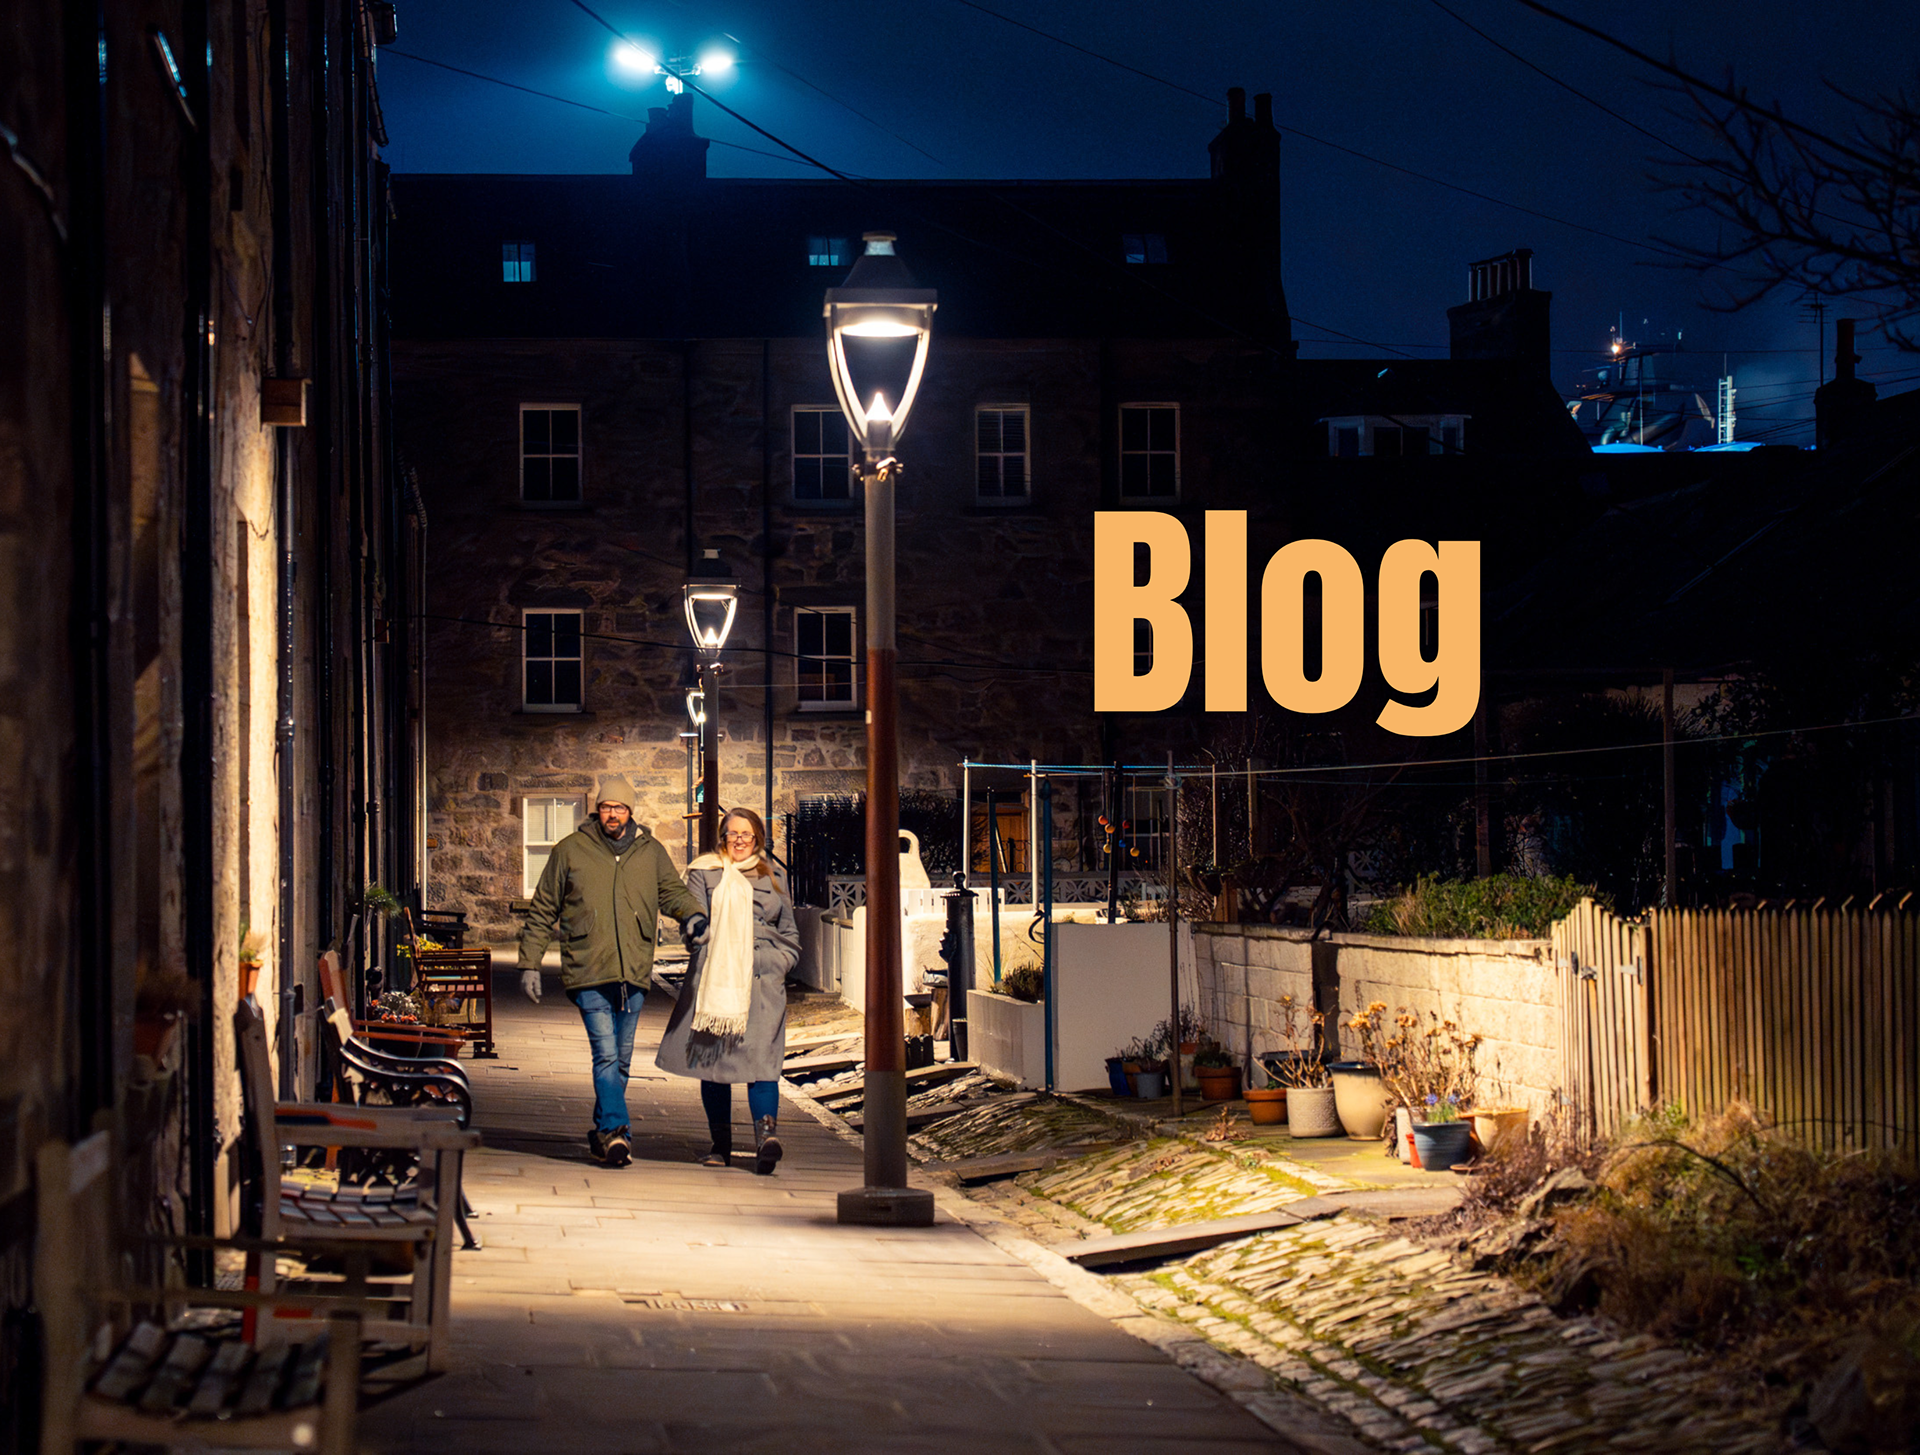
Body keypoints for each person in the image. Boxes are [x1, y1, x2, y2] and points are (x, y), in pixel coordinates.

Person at [518, 773, 708, 1168]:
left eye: (619, 808)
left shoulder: (650, 851)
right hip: (588, 966)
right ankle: (619, 1131)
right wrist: (529, 963)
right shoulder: (570, 851)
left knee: (621, 1060)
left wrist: (693, 916)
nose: (612, 814)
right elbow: (543, 909)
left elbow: (672, 892)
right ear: (597, 810)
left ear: (630, 811)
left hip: (634, 969)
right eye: (606, 807)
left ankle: (602, 1132)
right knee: (605, 1055)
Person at [655, 808, 800, 1175]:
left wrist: (781, 960)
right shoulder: (704, 871)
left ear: (758, 840)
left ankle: (766, 1138)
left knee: (763, 1061)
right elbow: (691, 916)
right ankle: (720, 1145)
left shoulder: (775, 875)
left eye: (747, 835)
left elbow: (791, 931)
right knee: (714, 1063)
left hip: (762, 980)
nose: (739, 840)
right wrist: (698, 935)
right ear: (723, 837)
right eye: (732, 834)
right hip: (716, 980)